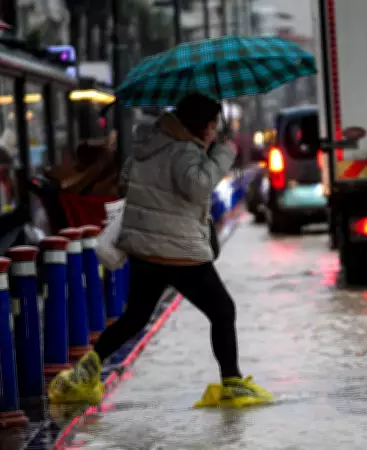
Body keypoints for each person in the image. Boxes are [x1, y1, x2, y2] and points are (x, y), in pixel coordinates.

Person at [48, 93, 273, 407]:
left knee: (135, 316)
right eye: (211, 125)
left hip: (146, 249)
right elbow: (196, 188)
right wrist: (222, 154)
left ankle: (85, 371)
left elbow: (127, 184)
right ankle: (232, 382)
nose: (213, 131)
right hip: (178, 251)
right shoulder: (184, 151)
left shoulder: (148, 146)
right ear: (200, 125)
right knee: (223, 310)